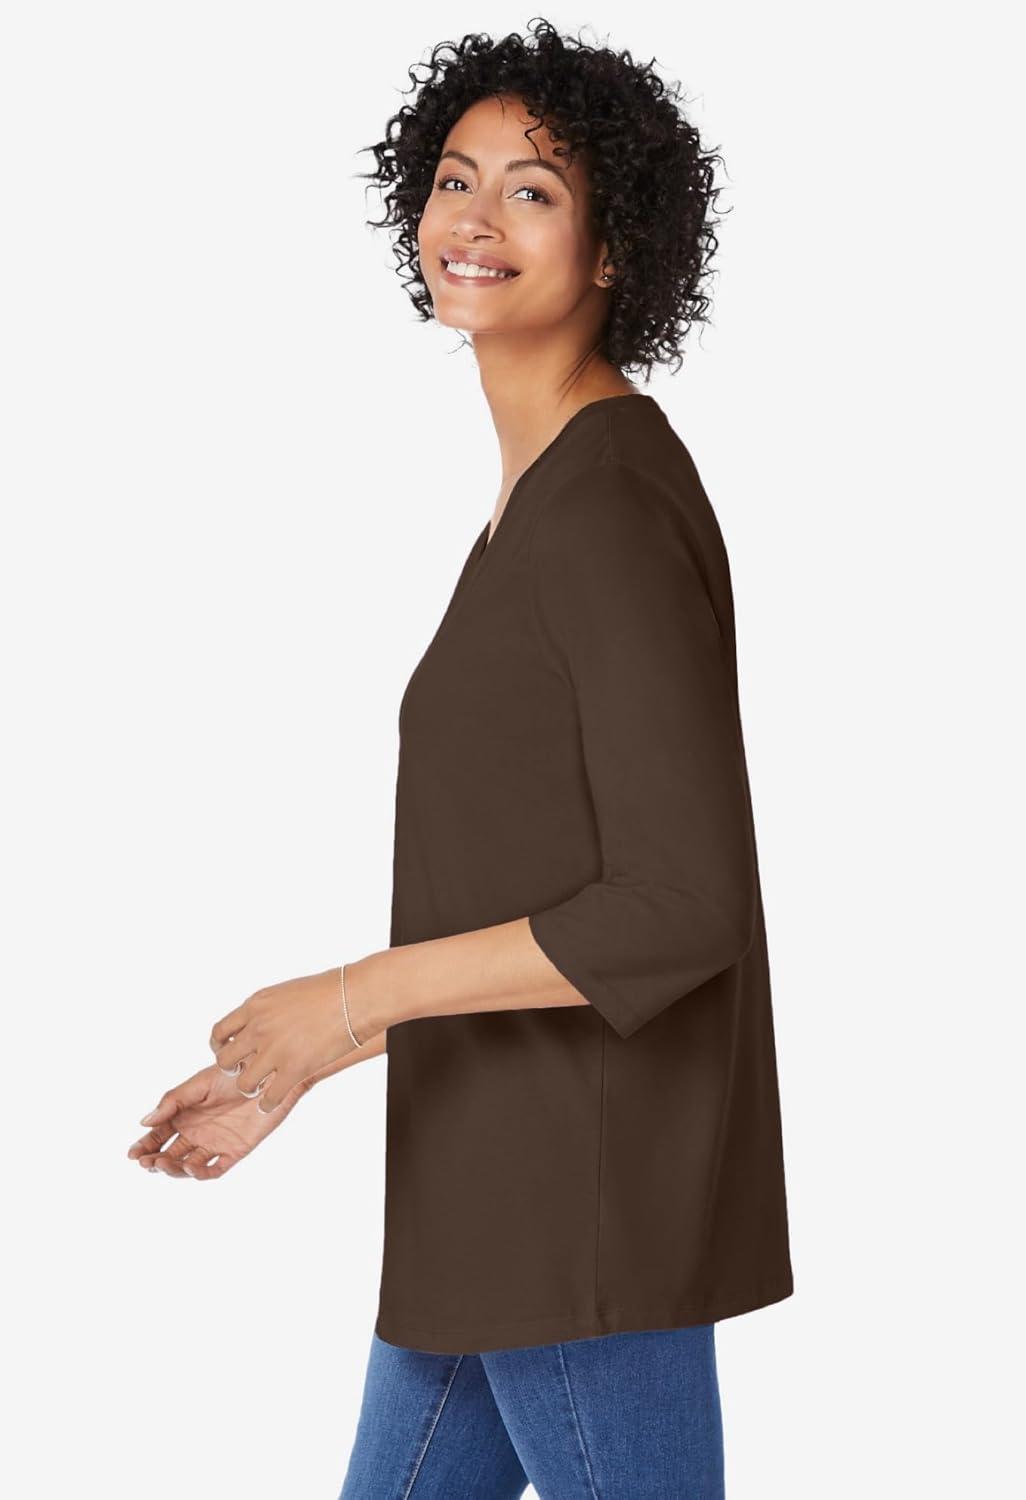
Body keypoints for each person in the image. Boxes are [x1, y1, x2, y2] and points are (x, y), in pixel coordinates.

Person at [128, 21, 793, 1498]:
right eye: (453, 179)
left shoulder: (607, 508)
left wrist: (348, 997)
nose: (474, 219)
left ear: (614, 247)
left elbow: (678, 905)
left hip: (573, 1211)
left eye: (533, 191)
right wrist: (309, 1053)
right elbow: (529, 882)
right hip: (493, 1184)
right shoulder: (541, 500)